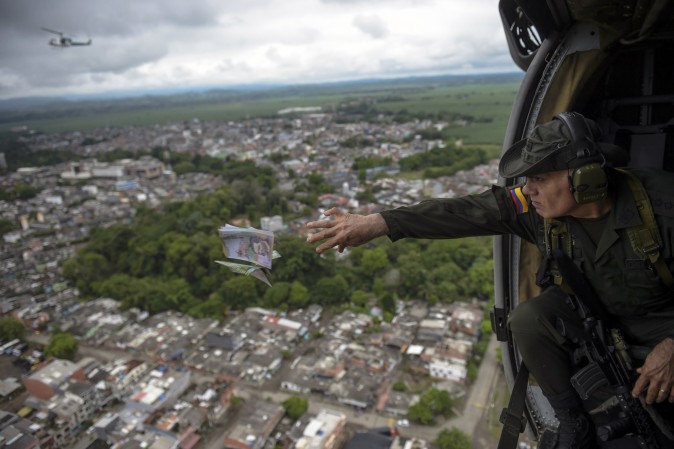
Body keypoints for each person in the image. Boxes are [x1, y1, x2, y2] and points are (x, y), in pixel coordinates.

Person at [305, 112, 674, 449]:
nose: (528, 189)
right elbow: (466, 211)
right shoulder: (536, 209)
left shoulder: (662, 206)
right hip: (595, 316)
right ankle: (572, 422)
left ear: (585, 178)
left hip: (662, 321)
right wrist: (379, 223)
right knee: (528, 318)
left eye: (540, 179)